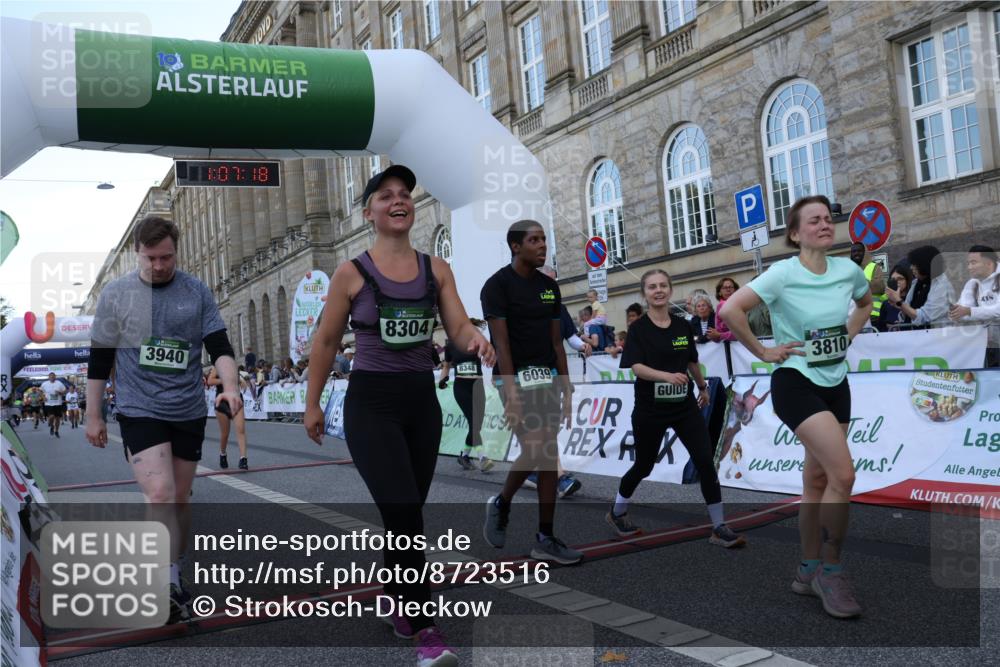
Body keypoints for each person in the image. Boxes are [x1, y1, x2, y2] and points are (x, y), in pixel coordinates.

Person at [303, 165, 492, 667]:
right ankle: (425, 629)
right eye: (385, 196)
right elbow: (324, 341)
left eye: (404, 194)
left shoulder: (437, 270)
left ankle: (394, 593)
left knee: (404, 513)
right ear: (369, 213)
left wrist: (474, 338)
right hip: (371, 404)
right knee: (404, 509)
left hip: (420, 403)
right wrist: (312, 402)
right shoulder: (352, 272)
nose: (398, 201)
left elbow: (455, 323)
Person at [720, 195, 873, 619]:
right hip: (795, 382)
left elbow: (865, 303)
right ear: (794, 233)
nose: (825, 225)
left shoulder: (847, 270)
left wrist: (848, 334)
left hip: (835, 381)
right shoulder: (781, 274)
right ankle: (831, 570)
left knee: (818, 479)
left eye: (828, 219)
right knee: (844, 473)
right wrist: (763, 352)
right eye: (814, 220)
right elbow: (731, 309)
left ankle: (806, 570)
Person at [85, 216, 242, 624]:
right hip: (139, 408)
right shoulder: (117, 295)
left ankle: (175, 565)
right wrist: (93, 416)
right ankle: (166, 582)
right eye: (151, 258)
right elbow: (100, 361)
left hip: (187, 408)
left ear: (177, 250)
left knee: (180, 498)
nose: (159, 265)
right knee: (161, 494)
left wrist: (230, 385)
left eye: (167, 257)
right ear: (138, 252)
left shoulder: (195, 291)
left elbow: (220, 346)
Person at [606, 269, 746, 549]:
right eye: (652, 287)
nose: (658, 291)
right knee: (644, 465)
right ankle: (618, 512)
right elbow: (636, 367)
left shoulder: (683, 326)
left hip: (683, 406)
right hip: (650, 409)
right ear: (644, 294)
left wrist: (703, 387)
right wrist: (666, 376)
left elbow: (692, 360)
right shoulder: (638, 329)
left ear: (670, 290)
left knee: (705, 461)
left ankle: (718, 526)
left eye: (662, 286)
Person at [481, 219, 583, 566]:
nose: (543, 245)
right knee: (538, 447)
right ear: (515, 246)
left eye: (544, 239)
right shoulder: (496, 286)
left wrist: (566, 388)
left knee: (547, 452)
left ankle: (545, 537)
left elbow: (557, 342)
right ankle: (502, 503)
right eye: (534, 240)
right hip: (512, 377)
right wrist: (510, 392)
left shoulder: (549, 288)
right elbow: (502, 344)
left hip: (548, 378)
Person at [438, 324, 495, 473]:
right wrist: (442, 380)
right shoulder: (451, 346)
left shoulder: (477, 344)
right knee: (474, 421)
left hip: (477, 385)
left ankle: (464, 456)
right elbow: (446, 366)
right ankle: (483, 458)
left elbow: (491, 354)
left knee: (477, 423)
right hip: (461, 387)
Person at [950, 245, 1000, 367]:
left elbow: (998, 311)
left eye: (973, 263)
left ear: (989, 263)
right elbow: (963, 312)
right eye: (968, 263)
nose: (969, 267)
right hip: (986, 345)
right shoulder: (972, 283)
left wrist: (969, 312)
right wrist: (955, 312)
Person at [884, 245, 954, 328]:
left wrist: (899, 301)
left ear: (924, 265)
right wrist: (898, 305)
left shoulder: (941, 285)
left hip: (936, 336)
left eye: (914, 264)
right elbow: (909, 309)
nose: (911, 267)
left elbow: (925, 317)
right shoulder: (916, 283)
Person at [207, 366, 249, 470]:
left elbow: (238, 380)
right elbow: (210, 381)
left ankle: (243, 458)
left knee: (241, 430)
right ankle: (223, 453)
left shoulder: (233, 365)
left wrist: (240, 381)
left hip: (236, 399)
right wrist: (225, 380)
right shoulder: (217, 365)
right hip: (222, 401)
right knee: (225, 433)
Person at [849, 241, 886, 326]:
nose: (856, 253)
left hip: (873, 317)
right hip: (854, 317)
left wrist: (860, 282)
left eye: (859, 251)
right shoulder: (848, 269)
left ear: (865, 252)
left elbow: (880, 287)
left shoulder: (874, 267)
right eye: (854, 251)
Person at [876, 262, 911, 331]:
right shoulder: (886, 304)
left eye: (900, 279)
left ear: (907, 280)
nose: (897, 282)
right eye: (893, 279)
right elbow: (880, 328)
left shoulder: (912, 299)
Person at [711, 278, 739, 342]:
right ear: (719, 292)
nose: (728, 290)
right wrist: (714, 336)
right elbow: (718, 333)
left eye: (730, 287)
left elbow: (741, 332)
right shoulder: (720, 306)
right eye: (724, 288)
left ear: (735, 290)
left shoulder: (741, 304)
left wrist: (720, 335)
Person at [40, 372, 66, 438]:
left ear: (55, 377)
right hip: (48, 403)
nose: (52, 377)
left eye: (53, 376)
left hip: (58, 403)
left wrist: (60, 392)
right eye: (50, 376)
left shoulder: (59, 383)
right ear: (48, 377)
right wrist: (43, 397)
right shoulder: (45, 384)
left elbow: (65, 391)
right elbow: (40, 391)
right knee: (51, 416)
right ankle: (52, 426)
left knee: (57, 419)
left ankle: (56, 431)